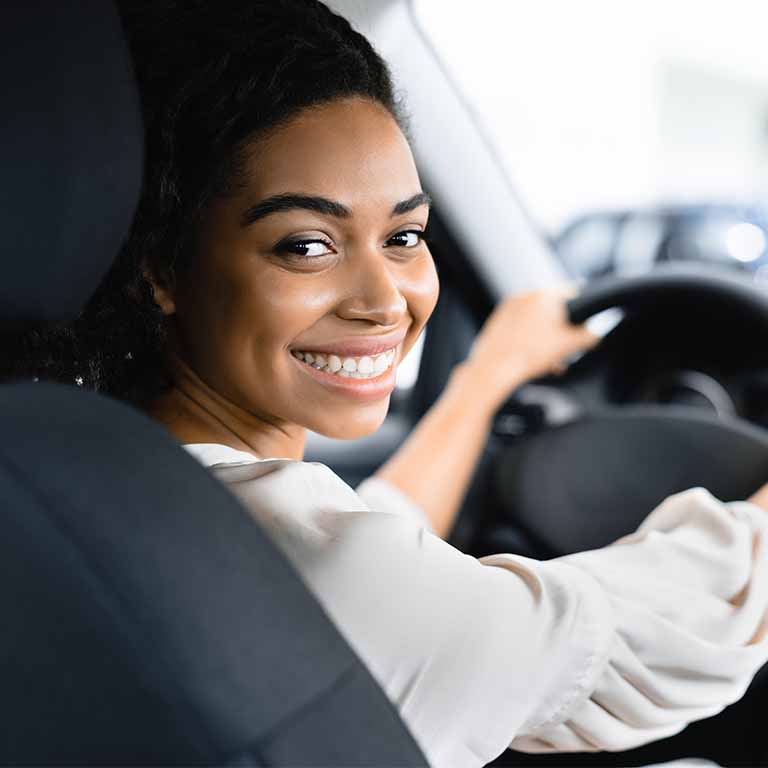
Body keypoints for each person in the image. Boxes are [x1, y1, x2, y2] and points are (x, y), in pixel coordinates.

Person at [8, 1, 768, 766]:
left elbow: (362, 543)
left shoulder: (84, 490)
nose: (384, 301)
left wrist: (483, 382)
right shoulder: (314, 575)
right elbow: (651, 635)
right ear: (160, 269)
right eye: (307, 245)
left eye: (404, 236)